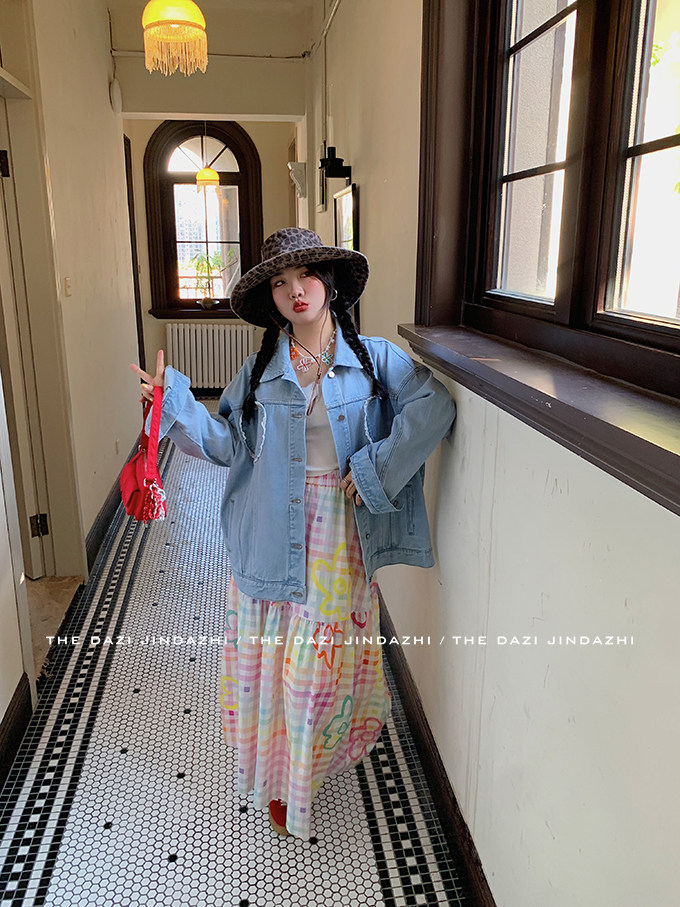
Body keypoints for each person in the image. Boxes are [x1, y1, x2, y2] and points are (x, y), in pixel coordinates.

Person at [129, 227, 456, 839]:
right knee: (270, 658)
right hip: (269, 531)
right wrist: (171, 401)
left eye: (305, 275)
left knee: (314, 665)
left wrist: (375, 468)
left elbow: (433, 407)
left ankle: (308, 771)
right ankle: (282, 780)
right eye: (280, 283)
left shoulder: (373, 357)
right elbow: (225, 443)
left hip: (338, 532)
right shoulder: (261, 372)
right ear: (271, 299)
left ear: (328, 282)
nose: (295, 290)